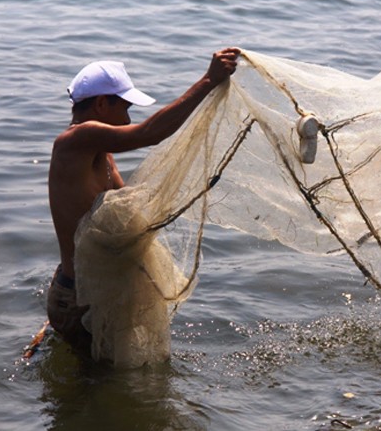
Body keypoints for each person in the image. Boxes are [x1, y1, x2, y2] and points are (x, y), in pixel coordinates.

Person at [47, 47, 240, 351]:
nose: (128, 118)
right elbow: (148, 133)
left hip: (92, 291)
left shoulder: (99, 150)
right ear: (100, 103)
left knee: (97, 380)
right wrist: (207, 81)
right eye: (125, 107)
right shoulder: (76, 140)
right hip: (79, 300)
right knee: (99, 388)